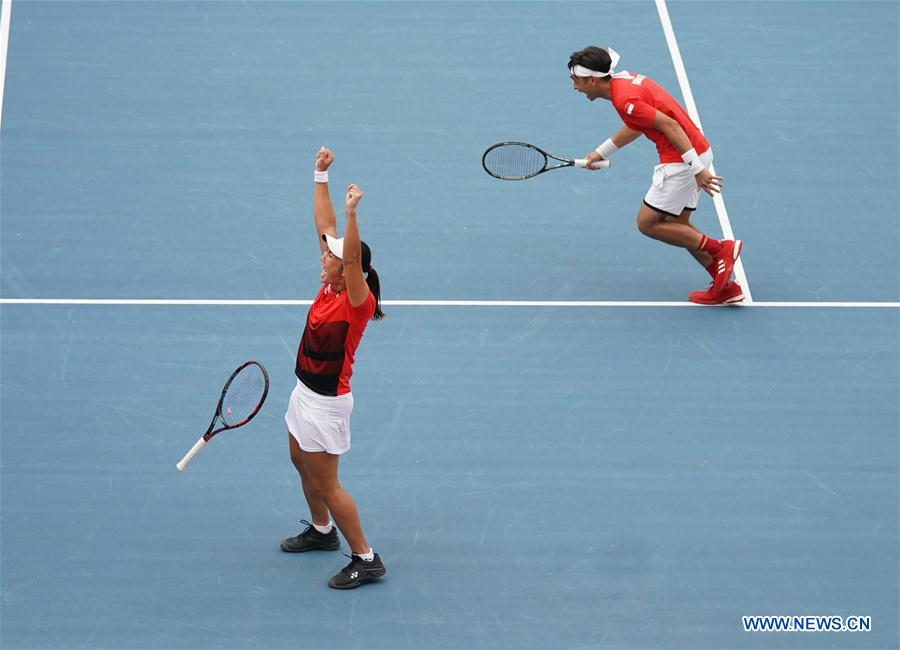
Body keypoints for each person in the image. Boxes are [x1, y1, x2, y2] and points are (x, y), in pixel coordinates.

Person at [280, 146, 386, 589]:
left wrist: (352, 213)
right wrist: (320, 175)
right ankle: (323, 532)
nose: (323, 255)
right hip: (303, 393)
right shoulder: (329, 285)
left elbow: (349, 254)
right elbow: (324, 227)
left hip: (327, 404)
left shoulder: (355, 303)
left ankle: (366, 557)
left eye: (332, 256)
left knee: (328, 484)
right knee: (298, 460)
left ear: (348, 270)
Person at [568, 45, 744, 305]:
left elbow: (669, 125)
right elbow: (638, 123)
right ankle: (725, 287)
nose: (575, 88)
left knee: (648, 223)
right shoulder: (623, 83)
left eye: (577, 81)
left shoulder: (623, 99)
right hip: (695, 150)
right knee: (678, 227)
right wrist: (602, 151)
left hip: (682, 160)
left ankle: (721, 250)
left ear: (592, 79)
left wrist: (696, 170)